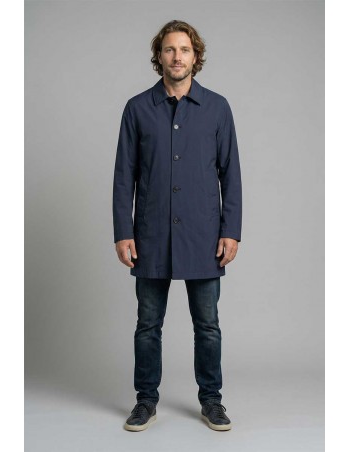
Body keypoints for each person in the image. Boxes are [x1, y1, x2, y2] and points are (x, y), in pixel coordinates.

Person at [112, 19, 242, 432]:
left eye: (184, 49)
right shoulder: (137, 109)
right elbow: (124, 176)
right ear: (159, 56)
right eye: (169, 49)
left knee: (208, 325)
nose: (177, 57)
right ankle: (145, 401)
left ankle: (212, 401)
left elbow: (231, 174)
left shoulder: (217, 108)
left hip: (203, 235)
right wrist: (123, 231)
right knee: (147, 325)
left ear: (195, 55)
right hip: (151, 235)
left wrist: (231, 230)